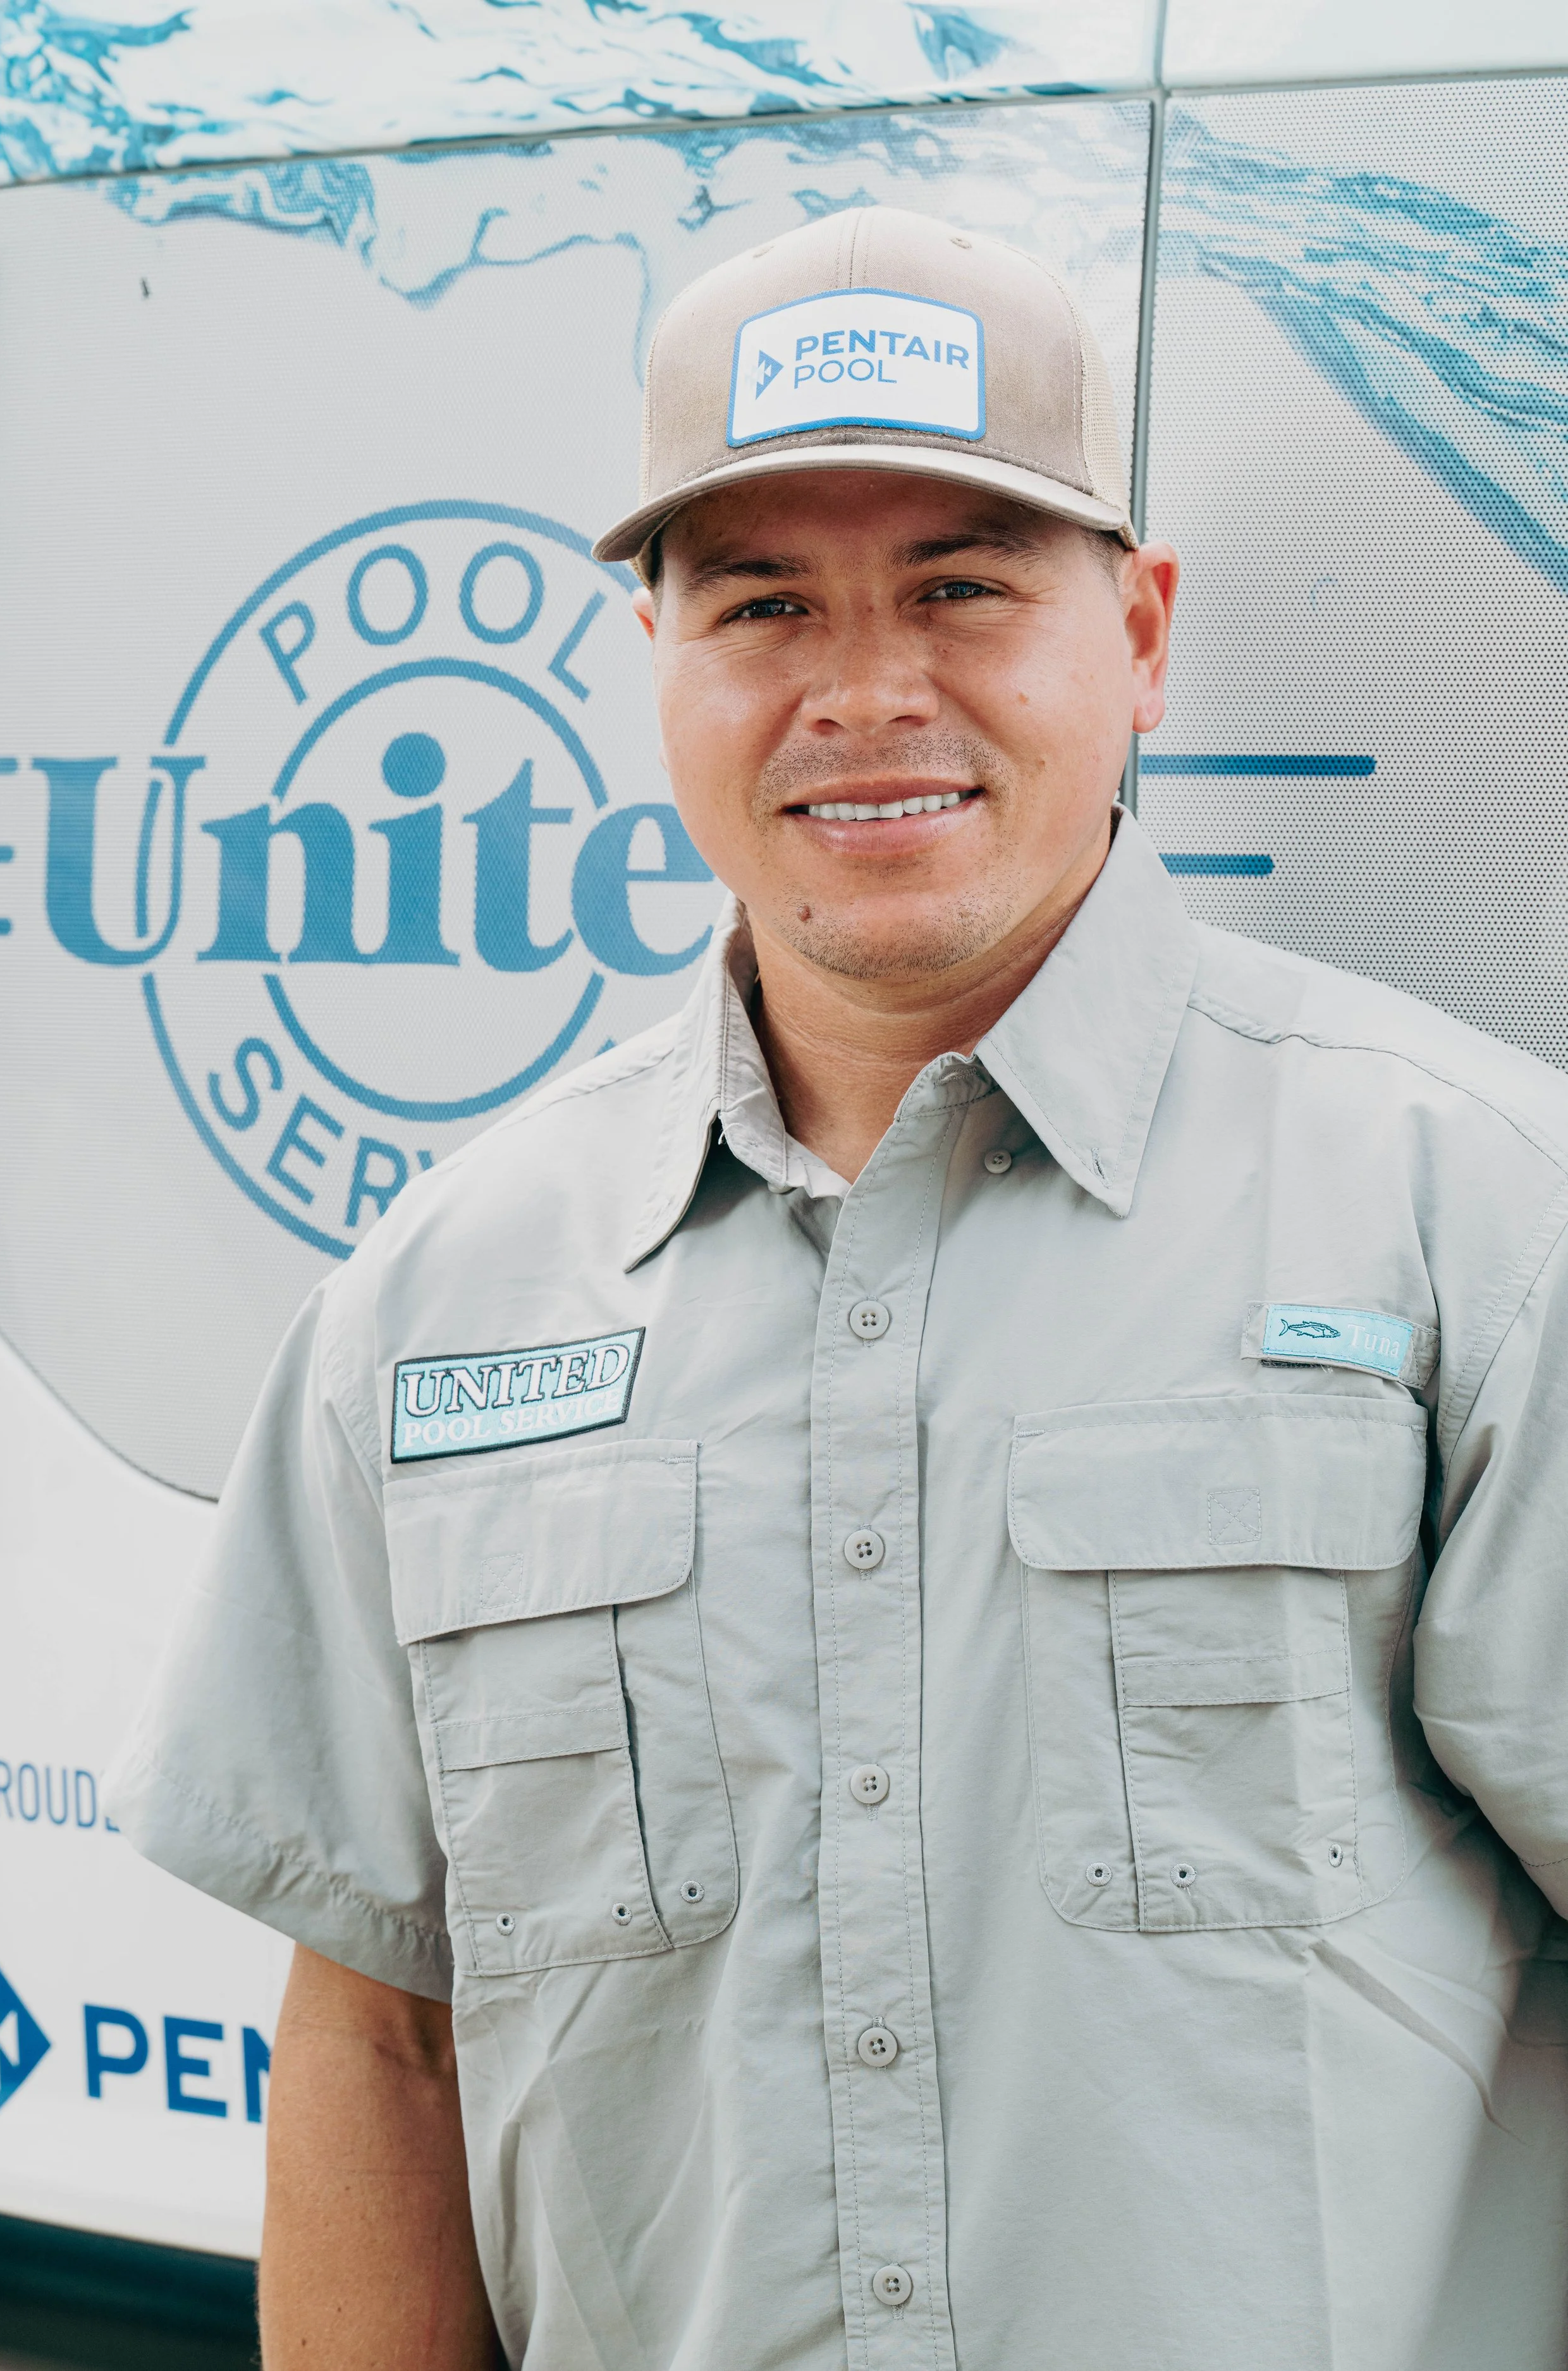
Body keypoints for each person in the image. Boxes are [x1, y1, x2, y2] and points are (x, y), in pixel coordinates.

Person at [111, 206, 1568, 2371]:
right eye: (764, 601)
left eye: (962, 587)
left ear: (1140, 635)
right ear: (657, 660)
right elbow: (384, 2041)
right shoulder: (437, 1302)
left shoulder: (1475, 1218)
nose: (865, 691)